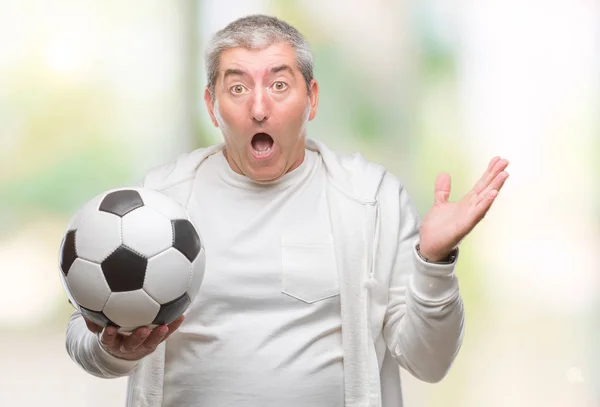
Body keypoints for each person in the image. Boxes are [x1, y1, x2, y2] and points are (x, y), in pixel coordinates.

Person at [65, 14, 509, 407]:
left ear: (312, 98)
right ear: (211, 106)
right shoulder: (156, 203)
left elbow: (428, 363)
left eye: (279, 85)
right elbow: (83, 337)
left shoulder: (373, 199)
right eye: (237, 88)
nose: (259, 108)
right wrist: (113, 350)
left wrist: (434, 264)